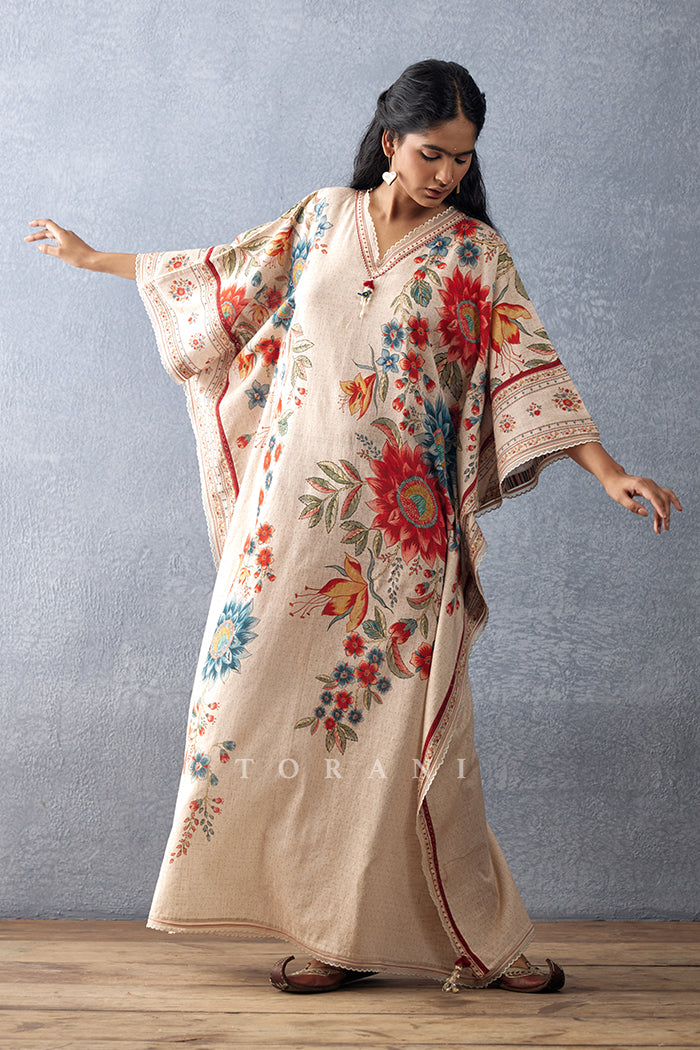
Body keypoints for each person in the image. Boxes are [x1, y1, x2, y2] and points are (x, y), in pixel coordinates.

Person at [26, 59, 680, 996]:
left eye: (462, 158)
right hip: (284, 528)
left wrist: (608, 470)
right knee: (252, 710)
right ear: (389, 141)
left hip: (400, 540)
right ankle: (326, 935)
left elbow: (528, 365)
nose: (446, 173)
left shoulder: (475, 257)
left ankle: (483, 941)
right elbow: (224, 280)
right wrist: (97, 260)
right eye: (431, 153)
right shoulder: (323, 219)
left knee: (401, 741)